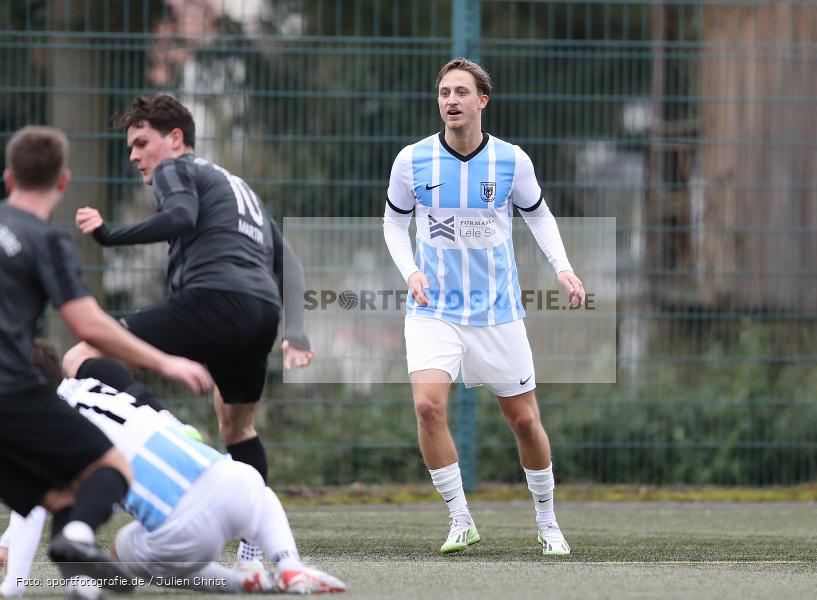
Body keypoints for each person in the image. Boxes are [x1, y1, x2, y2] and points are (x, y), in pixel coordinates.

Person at [63, 94, 314, 566]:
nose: (134, 155)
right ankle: (252, 550)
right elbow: (291, 263)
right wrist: (296, 330)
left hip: (211, 300)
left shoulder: (175, 169)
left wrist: (108, 235)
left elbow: (180, 217)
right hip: (261, 312)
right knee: (237, 426)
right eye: (130, 147)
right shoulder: (238, 188)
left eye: (142, 143)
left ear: (175, 139)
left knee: (81, 357)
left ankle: (171, 430)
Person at [383, 58, 585, 555]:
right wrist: (410, 272)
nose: (451, 100)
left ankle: (547, 522)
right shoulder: (411, 160)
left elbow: (539, 216)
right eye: (444, 93)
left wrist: (563, 268)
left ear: (482, 101)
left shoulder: (511, 161)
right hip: (434, 310)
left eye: (461, 92)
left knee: (524, 421)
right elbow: (394, 224)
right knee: (427, 407)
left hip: (498, 312)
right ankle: (460, 519)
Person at [0, 126, 212, 595]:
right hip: (11, 390)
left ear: (9, 179)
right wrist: (164, 362)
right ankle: (77, 540)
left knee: (62, 495)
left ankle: (80, 583)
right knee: (110, 468)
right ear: (63, 182)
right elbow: (88, 324)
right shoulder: (44, 240)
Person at [0, 341, 346, 597]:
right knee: (258, 491)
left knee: (122, 548)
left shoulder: (45, 425)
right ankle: (290, 567)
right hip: (232, 481)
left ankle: (243, 583)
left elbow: (33, 511)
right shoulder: (95, 387)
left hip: (182, 531)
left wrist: (13, 586)